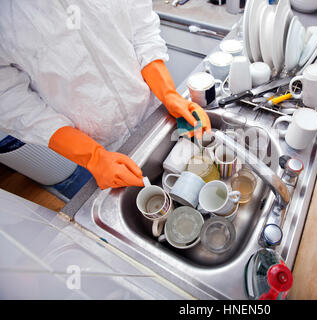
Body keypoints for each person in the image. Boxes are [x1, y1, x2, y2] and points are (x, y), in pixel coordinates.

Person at [0, 0, 211, 190]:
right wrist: (94, 157)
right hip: (89, 144)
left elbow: (142, 31)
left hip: (153, 114)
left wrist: (169, 94)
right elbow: (10, 99)